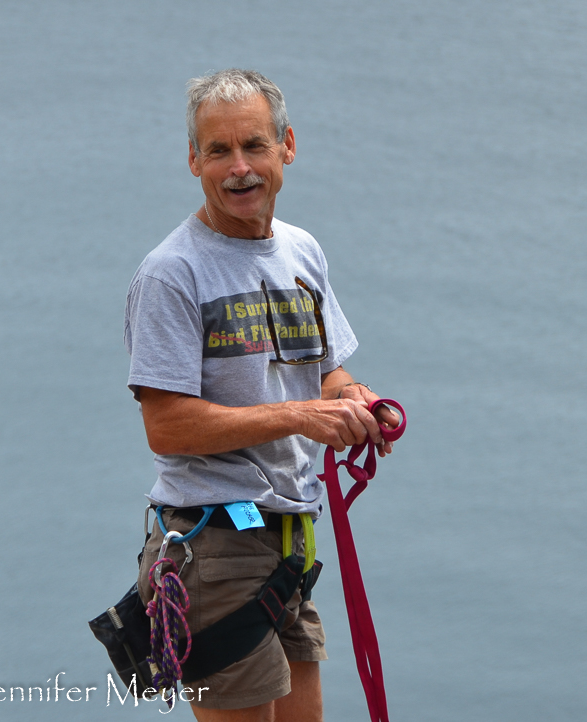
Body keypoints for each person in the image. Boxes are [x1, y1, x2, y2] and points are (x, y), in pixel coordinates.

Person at [124, 68, 397, 722]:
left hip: (291, 537)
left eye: (254, 145)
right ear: (193, 160)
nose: (238, 168)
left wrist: (356, 401)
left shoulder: (302, 252)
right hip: (212, 547)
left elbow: (323, 375)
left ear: (288, 147)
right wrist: (305, 416)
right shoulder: (172, 274)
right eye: (218, 151)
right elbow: (167, 428)